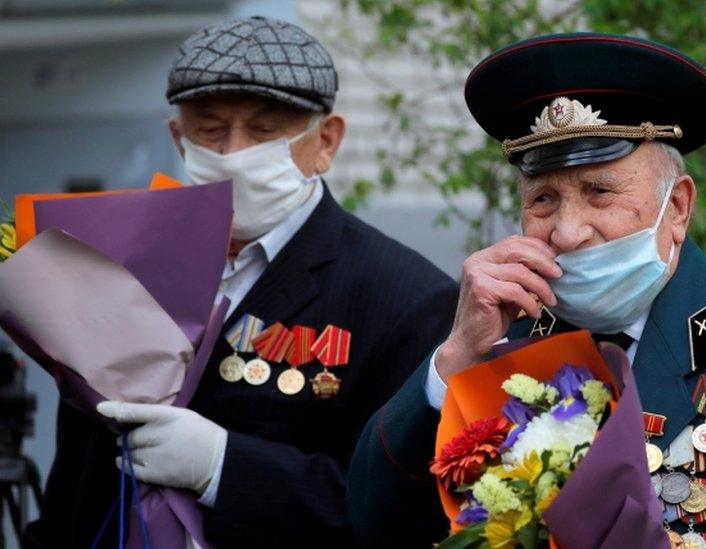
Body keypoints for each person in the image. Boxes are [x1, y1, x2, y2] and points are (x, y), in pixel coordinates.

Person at [348, 33, 706, 548]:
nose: (568, 232)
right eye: (543, 199)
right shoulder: (500, 335)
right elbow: (378, 524)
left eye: (599, 191)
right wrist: (451, 366)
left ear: (679, 208)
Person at [24, 16, 457, 548]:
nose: (233, 154)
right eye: (210, 130)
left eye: (264, 130)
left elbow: (398, 510)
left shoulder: (404, 298)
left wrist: (223, 465)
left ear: (326, 140)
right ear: (178, 139)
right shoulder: (118, 266)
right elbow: (73, 481)